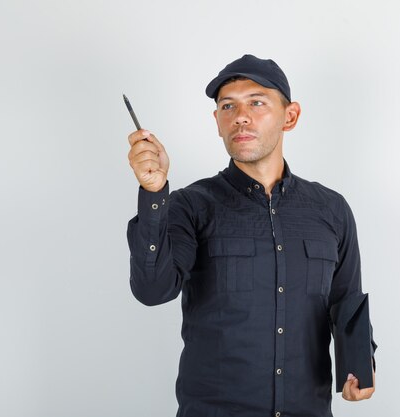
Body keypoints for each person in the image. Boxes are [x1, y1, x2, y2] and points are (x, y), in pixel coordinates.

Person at [127, 54, 376, 417]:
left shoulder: (331, 209)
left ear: (289, 116)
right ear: (217, 122)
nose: (240, 116)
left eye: (256, 102)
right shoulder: (190, 205)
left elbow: (346, 300)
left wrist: (360, 366)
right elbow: (152, 290)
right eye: (228, 106)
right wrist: (154, 192)